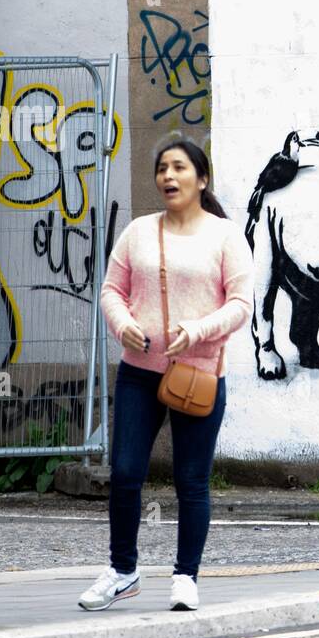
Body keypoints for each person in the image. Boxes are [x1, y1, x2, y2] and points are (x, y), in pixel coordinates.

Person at [80, 138, 253, 612]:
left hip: (198, 374)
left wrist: (198, 330)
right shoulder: (138, 231)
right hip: (140, 373)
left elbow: (241, 305)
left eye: (179, 167)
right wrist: (124, 326)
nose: (168, 176)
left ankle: (186, 576)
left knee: (191, 479)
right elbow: (112, 290)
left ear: (202, 178)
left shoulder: (224, 236)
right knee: (125, 473)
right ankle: (122, 570)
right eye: (161, 168)